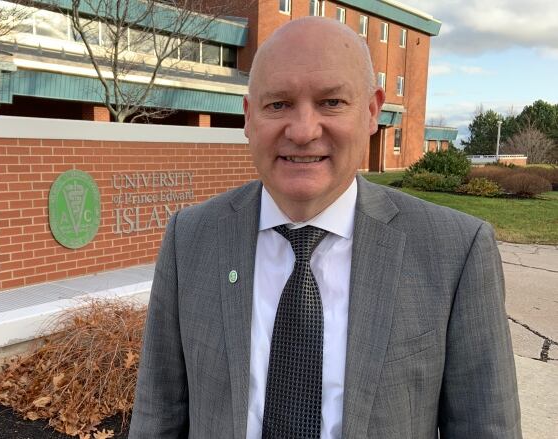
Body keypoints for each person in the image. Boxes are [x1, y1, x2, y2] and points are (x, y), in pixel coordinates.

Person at [129, 17, 521, 439]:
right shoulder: (190, 238)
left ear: (371, 111)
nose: (302, 131)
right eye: (277, 104)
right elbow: (158, 415)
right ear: (248, 117)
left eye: (331, 102)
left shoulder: (455, 251)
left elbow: (486, 426)